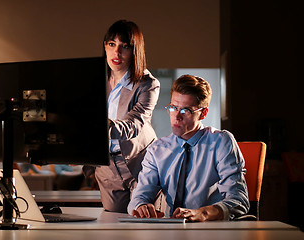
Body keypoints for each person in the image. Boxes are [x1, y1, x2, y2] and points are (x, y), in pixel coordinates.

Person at [127, 74, 249, 221]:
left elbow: (238, 200)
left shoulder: (221, 142)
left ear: (203, 113)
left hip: (210, 229)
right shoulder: (157, 149)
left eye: (186, 110)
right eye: (173, 107)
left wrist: (202, 213)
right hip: (172, 230)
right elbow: (140, 195)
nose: (177, 116)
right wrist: (141, 205)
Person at [83, 20, 160, 213]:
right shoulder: (94, 82)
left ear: (135, 51)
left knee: (145, 221)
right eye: (112, 44)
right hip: (107, 168)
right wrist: (90, 169)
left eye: (124, 46)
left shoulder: (147, 84)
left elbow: (134, 124)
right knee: (113, 223)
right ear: (105, 46)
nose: (116, 53)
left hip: (140, 165)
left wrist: (98, 126)